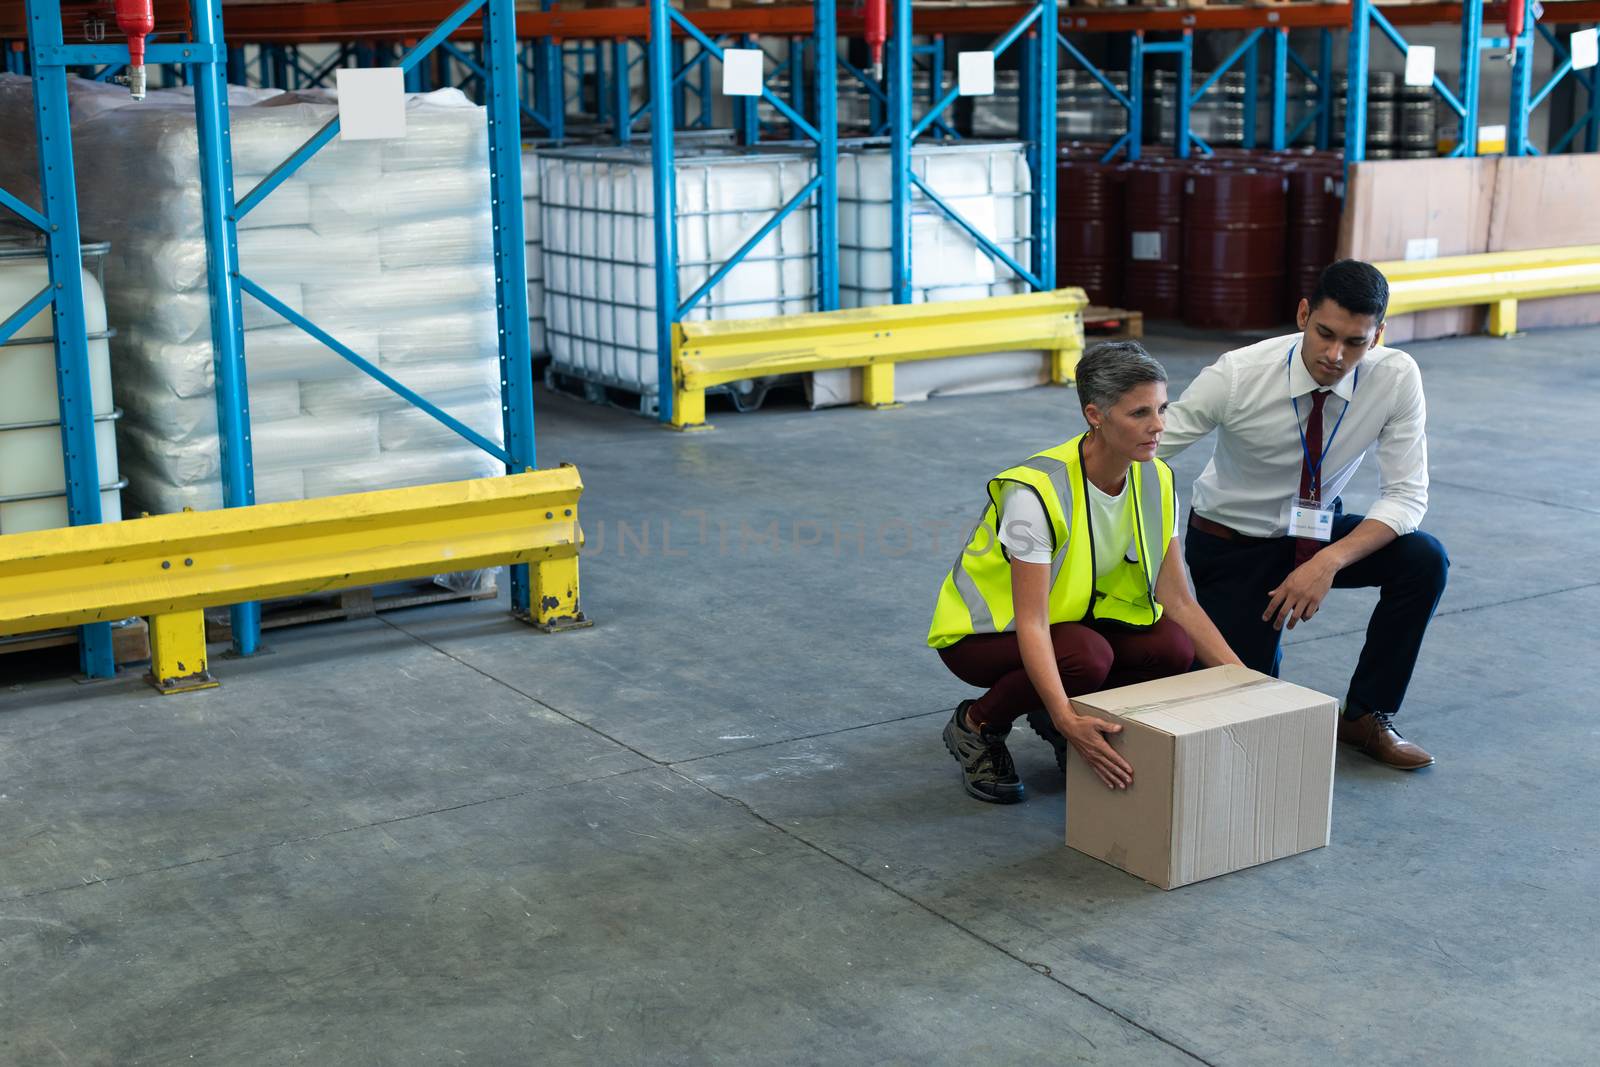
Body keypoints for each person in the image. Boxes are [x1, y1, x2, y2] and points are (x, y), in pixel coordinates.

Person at [1158, 259, 1448, 771]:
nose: (1336, 356)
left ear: (1378, 335)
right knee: (1251, 722)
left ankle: (1364, 715)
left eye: (1356, 342)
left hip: (1313, 536)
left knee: (1423, 559)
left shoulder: (1396, 377)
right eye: (1325, 334)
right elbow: (1147, 449)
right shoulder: (1237, 374)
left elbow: (1406, 496)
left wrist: (1328, 562)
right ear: (1302, 314)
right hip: (1233, 543)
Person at [927, 341, 1242, 804]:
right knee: (1085, 657)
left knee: (1173, 648)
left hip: (1073, 623)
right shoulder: (1035, 493)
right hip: (984, 634)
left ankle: (1081, 714)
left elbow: (1177, 600)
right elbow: (1032, 621)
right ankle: (976, 725)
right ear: (1096, 415)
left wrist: (1243, 679)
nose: (1158, 426)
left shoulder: (1156, 478)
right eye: (1139, 413)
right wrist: (1064, 718)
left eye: (1162, 408)